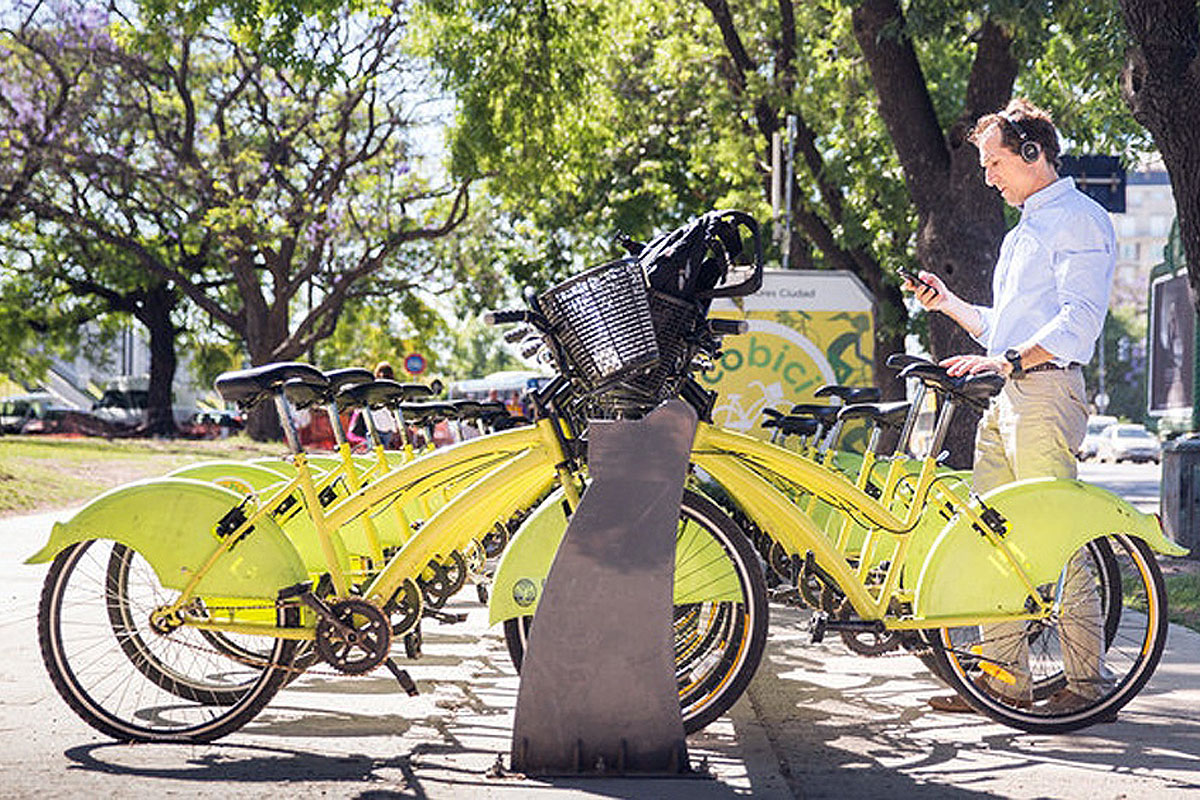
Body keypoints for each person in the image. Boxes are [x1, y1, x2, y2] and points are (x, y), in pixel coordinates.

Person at [903, 98, 1116, 715]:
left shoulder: (1078, 219)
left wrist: (1010, 361)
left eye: (995, 162)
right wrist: (948, 305)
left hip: (1046, 390)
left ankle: (1085, 689)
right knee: (994, 538)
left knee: (1060, 537)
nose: (988, 176)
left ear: (1033, 153)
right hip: (1014, 390)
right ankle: (1005, 681)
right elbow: (1005, 328)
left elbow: (1077, 321)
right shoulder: (1028, 229)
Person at [347, 360, 404, 449]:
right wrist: (394, 428)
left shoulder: (372, 387)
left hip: (374, 427)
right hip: (386, 428)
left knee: (376, 453)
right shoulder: (392, 389)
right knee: (382, 453)